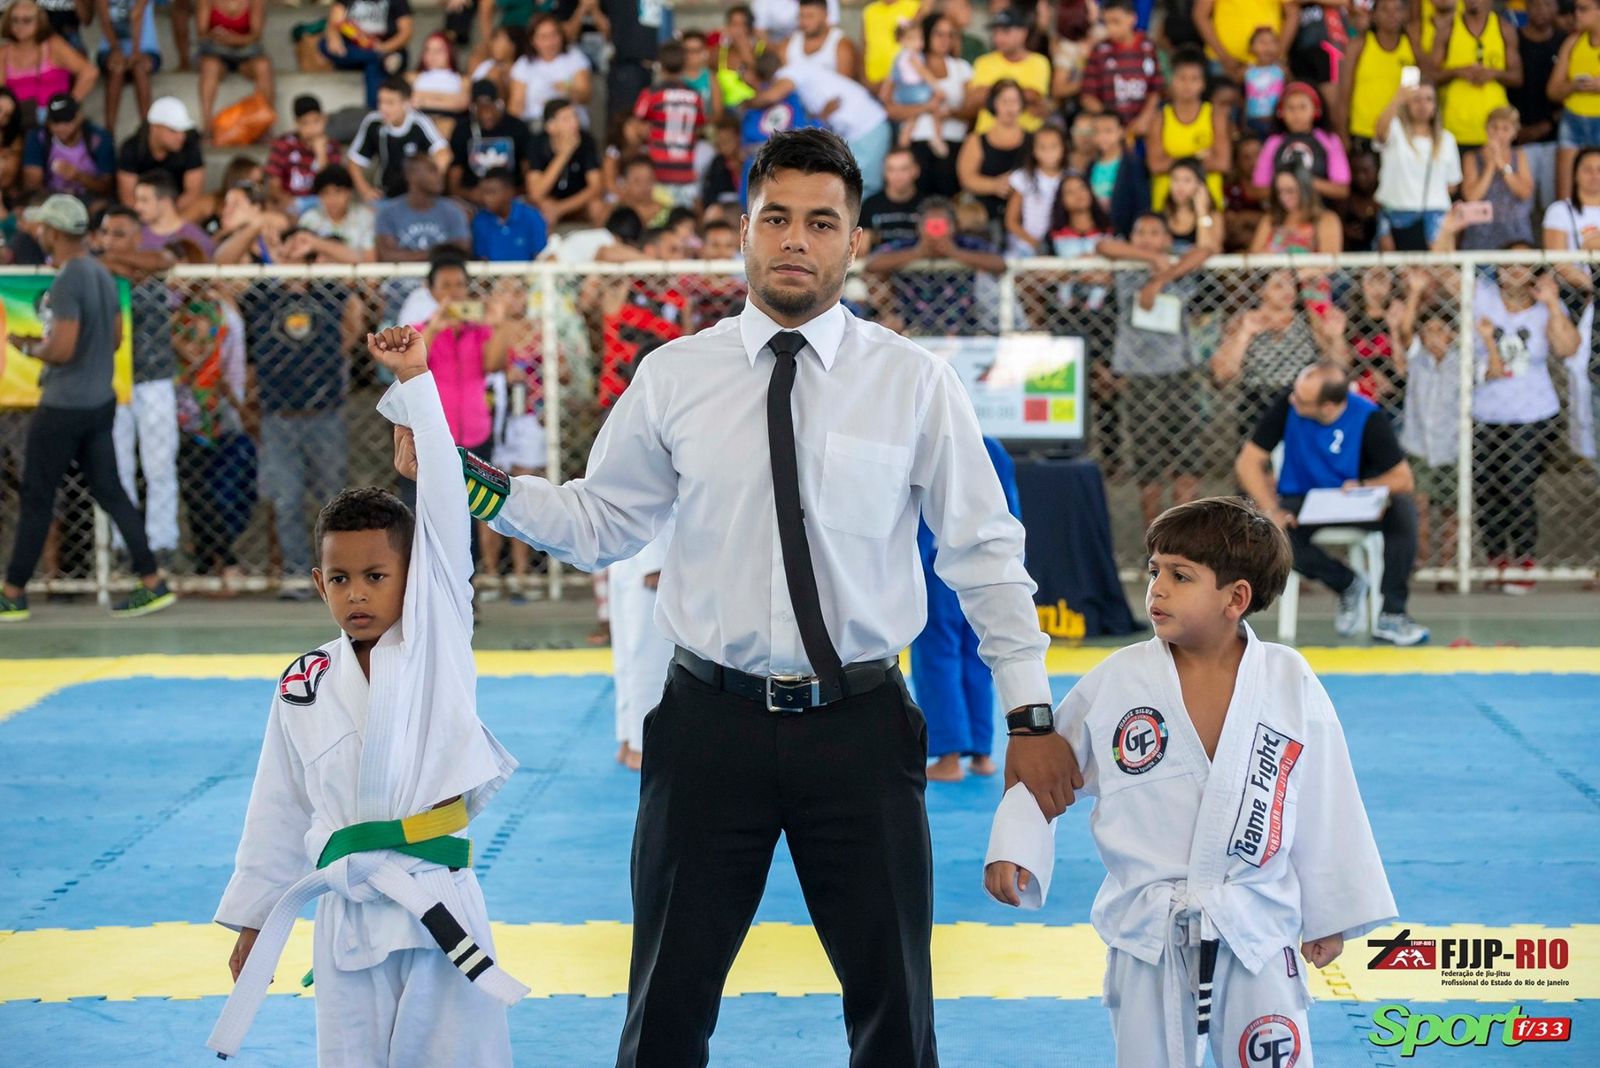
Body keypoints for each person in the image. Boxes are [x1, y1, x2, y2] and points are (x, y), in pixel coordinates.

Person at [467, 128, 1069, 1066]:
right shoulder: (677, 375)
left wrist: (1029, 714)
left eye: (821, 222)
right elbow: (601, 520)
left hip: (860, 727)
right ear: (743, 232)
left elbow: (985, 555)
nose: (796, 239)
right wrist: (477, 488)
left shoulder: (913, 385)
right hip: (710, 723)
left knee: (896, 1007)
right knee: (665, 1004)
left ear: (855, 242)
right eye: (776, 217)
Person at [985, 495, 1396, 1066]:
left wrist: (1331, 912)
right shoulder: (1122, 678)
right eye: (1154, 570)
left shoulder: (1286, 679)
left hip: (1256, 919)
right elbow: (1053, 765)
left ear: (1237, 598)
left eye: (1181, 576)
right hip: (1150, 925)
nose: (1157, 588)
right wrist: (1017, 842)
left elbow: (1327, 798)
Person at [209, 326, 524, 1064]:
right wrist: (257, 921)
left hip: (436, 899)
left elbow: (445, 507)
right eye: (340, 580)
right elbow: (279, 803)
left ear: (415, 577)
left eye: (376, 577)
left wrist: (416, 382)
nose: (357, 594)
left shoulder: (436, 636)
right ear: (318, 583)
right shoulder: (303, 683)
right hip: (348, 916)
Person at [0, 195, 174, 622]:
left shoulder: (67, 281)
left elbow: (61, 347)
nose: (39, 233)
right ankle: (152, 581)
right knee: (111, 492)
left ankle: (13, 592)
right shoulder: (100, 274)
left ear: (55, 233)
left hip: (62, 406)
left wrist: (28, 345)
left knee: (38, 497)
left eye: (43, 227)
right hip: (99, 402)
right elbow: (115, 337)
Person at [1235, 361, 1430, 644]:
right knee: (1271, 535)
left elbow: (1403, 480)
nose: (1293, 399)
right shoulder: (1287, 405)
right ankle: (1347, 583)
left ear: (1327, 407)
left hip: (1351, 501)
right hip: (1301, 499)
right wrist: (1271, 510)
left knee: (1402, 508)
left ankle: (1393, 614)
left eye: (1302, 399)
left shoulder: (1368, 417)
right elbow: (1248, 463)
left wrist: (1365, 486)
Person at [239, 244, 360, 599]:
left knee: (333, 500)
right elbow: (224, 262)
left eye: (299, 257)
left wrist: (315, 244)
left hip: (324, 414)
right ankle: (296, 575)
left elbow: (359, 279)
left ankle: (338, 575)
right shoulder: (264, 296)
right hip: (279, 416)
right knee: (286, 500)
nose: (292, 265)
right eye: (285, 257)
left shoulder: (329, 294)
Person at [1471, 251, 1582, 595]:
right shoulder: (1482, 296)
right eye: (1506, 263)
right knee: (1486, 490)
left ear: (1534, 270)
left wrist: (1551, 304)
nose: (1514, 270)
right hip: (1483, 411)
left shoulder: (1542, 308)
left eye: (1522, 264)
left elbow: (1568, 348)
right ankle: (1496, 559)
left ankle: (1524, 559)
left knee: (1519, 488)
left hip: (1532, 413)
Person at [1098, 213, 1210, 526]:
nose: (1147, 237)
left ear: (1168, 239)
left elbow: (1206, 248)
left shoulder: (1179, 264)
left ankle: (1186, 539)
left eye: (1155, 233)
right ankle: (1157, 543)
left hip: (1179, 372)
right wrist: (1150, 258)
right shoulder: (1126, 265)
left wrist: (1162, 278)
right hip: (1139, 375)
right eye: (1140, 232)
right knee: (1148, 465)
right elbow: (1103, 244)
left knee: (1188, 460)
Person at [916, 435, 1016, 783]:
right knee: (978, 653)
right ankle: (982, 753)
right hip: (987, 563)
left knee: (937, 654)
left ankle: (949, 756)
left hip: (937, 562)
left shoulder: (926, 440)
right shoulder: (992, 448)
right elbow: (1010, 511)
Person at [1391, 265, 1462, 578]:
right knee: (1419, 504)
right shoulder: (1417, 358)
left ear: (1452, 334)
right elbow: (1406, 331)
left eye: (1440, 331)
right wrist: (1415, 293)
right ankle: (1421, 560)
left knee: (1451, 509)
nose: (1434, 338)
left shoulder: (1461, 360)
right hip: (1418, 443)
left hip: (1452, 445)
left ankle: (1447, 565)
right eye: (1428, 331)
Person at [1213, 268, 1349, 429]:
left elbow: (1340, 366)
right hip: (1257, 404)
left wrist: (1336, 338)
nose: (1288, 290)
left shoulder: (1309, 319)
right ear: (1260, 290)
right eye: (1279, 285)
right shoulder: (1243, 320)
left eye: (1291, 284)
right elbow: (1221, 374)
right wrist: (1245, 335)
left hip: (1302, 400)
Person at [756, 52, 894, 197]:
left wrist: (747, 104)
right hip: (856, 134)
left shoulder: (791, 71)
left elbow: (771, 96)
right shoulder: (804, 74)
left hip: (869, 127)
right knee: (848, 186)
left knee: (863, 188)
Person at [866, 195, 1008, 334]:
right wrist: (917, 253)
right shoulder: (908, 245)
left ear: (954, 225)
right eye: (930, 225)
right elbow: (872, 264)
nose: (935, 232)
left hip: (964, 326)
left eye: (941, 225)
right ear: (919, 227)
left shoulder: (967, 244)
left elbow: (999, 264)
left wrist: (955, 253)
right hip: (912, 326)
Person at [891, 11, 971, 198]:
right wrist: (926, 107)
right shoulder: (908, 63)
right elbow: (890, 105)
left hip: (952, 142)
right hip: (916, 142)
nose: (945, 40)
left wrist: (950, 114)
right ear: (926, 34)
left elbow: (970, 110)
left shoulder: (962, 68)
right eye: (938, 33)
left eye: (950, 35)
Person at [1373, 81, 1462, 251]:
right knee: (1395, 272)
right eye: (1416, 99)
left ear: (1435, 105)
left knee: (1438, 272)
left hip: (1435, 215)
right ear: (1407, 103)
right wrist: (1396, 99)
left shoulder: (1447, 139)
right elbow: (1380, 132)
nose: (1423, 105)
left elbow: (1452, 185)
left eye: (1428, 99)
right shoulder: (1395, 131)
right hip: (1395, 212)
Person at [1147, 47, 1230, 212]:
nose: (1187, 85)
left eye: (1194, 79)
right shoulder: (1159, 118)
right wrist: (1198, 157)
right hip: (1167, 207)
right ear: (1172, 80)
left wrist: (1173, 160)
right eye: (1182, 78)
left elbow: (1222, 163)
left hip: (1207, 205)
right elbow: (1155, 165)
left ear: (1203, 83)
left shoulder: (1215, 116)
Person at [347, 77, 453, 203]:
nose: (383, 109)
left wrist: (428, 185)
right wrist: (365, 191)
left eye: (390, 103)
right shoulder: (373, 122)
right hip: (386, 194)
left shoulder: (419, 123)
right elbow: (354, 162)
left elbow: (443, 154)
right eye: (380, 102)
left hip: (417, 195)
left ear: (407, 103)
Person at [1340, 0, 1422, 152]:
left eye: (1397, 9)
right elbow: (1344, 95)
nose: (1392, 15)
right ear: (1374, 15)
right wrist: (1343, 135)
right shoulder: (1359, 45)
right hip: (1362, 132)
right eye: (1385, 10)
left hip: (1400, 134)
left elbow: (1424, 85)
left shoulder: (1411, 46)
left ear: (1404, 14)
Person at [1437, 0, 1520, 151]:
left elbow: (1517, 77)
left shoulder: (1504, 29)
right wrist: (1457, 72)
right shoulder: (1448, 29)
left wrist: (1494, 74)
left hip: (1496, 129)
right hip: (1456, 128)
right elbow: (1429, 76)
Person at [633, 39, 705, 208]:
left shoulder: (651, 94)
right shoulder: (695, 96)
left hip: (658, 173)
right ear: (684, 64)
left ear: (660, 65)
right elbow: (700, 125)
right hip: (685, 172)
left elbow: (636, 125)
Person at [1253, 81, 1351, 203]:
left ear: (1316, 110)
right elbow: (1258, 190)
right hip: (1282, 215)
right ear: (1280, 112)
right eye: (1290, 108)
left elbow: (1342, 190)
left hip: (1319, 213)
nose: (1296, 114)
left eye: (1302, 107)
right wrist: (1288, 187)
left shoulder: (1329, 140)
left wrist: (1304, 182)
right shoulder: (1273, 142)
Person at [0, 0, 94, 123]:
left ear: (39, 22)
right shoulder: (4, 53)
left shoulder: (54, 45)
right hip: (18, 121)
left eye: (26, 20)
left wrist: (69, 103)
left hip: (54, 119)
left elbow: (89, 73)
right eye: (15, 20)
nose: (20, 26)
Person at [1458, 106, 1535, 250]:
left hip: (1515, 233)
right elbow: (1471, 196)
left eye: (1505, 129)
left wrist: (1503, 166)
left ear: (1514, 132)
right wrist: (1490, 166)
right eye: (1494, 127)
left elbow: (1525, 193)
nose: (1499, 133)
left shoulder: (1519, 155)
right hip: (1480, 234)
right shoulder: (1472, 157)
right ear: (1486, 129)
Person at [1081, 0, 1163, 133]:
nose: (1110, 28)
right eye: (1106, 23)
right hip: (1111, 132)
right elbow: (1088, 96)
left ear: (1132, 19)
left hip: (1144, 125)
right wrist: (1111, 122)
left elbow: (1156, 89)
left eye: (1116, 21)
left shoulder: (1148, 47)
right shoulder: (1099, 50)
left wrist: (1145, 117)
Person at [957, 79, 1029, 227]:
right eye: (1004, 101)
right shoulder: (976, 140)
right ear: (993, 104)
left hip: (1026, 214)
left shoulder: (1034, 139)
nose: (1010, 107)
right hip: (985, 214)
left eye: (1015, 101)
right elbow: (967, 178)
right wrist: (995, 185)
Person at [195, 0, 272, 140]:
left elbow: (256, 35)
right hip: (216, 54)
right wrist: (236, 40)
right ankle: (207, 128)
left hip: (246, 56)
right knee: (209, 66)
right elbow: (201, 32)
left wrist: (228, 39)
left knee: (263, 66)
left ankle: (264, 126)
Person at [115, 97, 204, 217]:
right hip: (140, 212)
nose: (181, 136)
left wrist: (166, 217)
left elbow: (193, 193)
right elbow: (128, 198)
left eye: (184, 131)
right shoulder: (132, 148)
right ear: (154, 127)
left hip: (177, 212)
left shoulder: (190, 145)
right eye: (173, 130)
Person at [449, 78, 534, 203]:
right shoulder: (463, 130)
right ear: (472, 108)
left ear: (499, 104)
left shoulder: (517, 127)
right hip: (474, 198)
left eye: (489, 107)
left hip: (513, 196)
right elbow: (454, 181)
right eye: (480, 108)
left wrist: (511, 193)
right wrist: (469, 194)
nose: (485, 114)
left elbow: (529, 173)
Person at [968, 6, 1052, 132]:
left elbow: (1034, 96)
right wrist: (1021, 95)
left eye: (1005, 31)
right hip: (987, 135)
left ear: (1023, 33)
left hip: (1026, 137)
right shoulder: (983, 62)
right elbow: (975, 99)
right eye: (995, 32)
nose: (998, 38)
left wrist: (993, 93)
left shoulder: (1039, 62)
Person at [375, 155, 471, 263]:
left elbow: (461, 250)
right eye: (432, 170)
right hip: (401, 279)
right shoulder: (388, 213)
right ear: (411, 175)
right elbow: (388, 256)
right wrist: (441, 253)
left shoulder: (453, 211)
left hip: (440, 279)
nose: (440, 175)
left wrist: (407, 255)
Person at [1549, 0, 1600, 203]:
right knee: (1566, 197)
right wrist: (1574, 86)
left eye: (1583, 9)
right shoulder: (1573, 42)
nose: (1576, 14)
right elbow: (1552, 90)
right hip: (1573, 122)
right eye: (1575, 8)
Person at [322, 0, 416, 108]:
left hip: (385, 47)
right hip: (353, 51)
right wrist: (333, 37)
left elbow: (406, 33)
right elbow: (334, 21)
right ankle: (376, 57)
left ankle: (373, 110)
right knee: (323, 44)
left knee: (374, 65)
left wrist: (384, 48)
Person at [21, 92, 114, 202]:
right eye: (55, 121)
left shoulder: (99, 139)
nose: (61, 127)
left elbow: (107, 188)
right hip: (51, 197)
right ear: (48, 122)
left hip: (89, 198)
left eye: (67, 120)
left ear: (79, 117)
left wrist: (78, 176)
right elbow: (32, 186)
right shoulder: (38, 138)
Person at [510, 13, 591, 131]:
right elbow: (516, 105)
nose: (550, 42)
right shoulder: (523, 65)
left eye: (554, 35)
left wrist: (568, 90)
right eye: (543, 37)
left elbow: (586, 95)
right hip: (535, 125)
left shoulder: (575, 58)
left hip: (569, 125)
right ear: (533, 40)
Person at [265, 96, 344, 214]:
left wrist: (321, 154)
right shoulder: (283, 144)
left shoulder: (332, 146)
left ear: (324, 119)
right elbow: (273, 184)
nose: (312, 128)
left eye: (316, 121)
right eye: (305, 123)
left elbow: (332, 186)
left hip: (323, 204)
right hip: (292, 202)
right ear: (296, 124)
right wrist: (290, 202)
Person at [884, 17, 947, 157]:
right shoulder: (913, 57)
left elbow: (893, 77)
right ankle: (937, 137)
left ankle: (904, 137)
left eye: (920, 38)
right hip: (914, 91)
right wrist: (937, 87)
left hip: (904, 92)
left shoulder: (899, 57)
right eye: (913, 39)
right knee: (935, 107)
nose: (918, 43)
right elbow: (924, 73)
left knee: (912, 117)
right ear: (902, 41)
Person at [1250, 162, 1343, 255]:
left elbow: (1328, 263)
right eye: (1279, 192)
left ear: (1305, 189)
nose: (1284, 197)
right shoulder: (1270, 219)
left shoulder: (1326, 219)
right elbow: (1254, 260)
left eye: (1290, 191)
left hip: (1309, 269)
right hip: (1271, 269)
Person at [1003, 122, 1066, 256]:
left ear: (1063, 148)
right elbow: (1011, 220)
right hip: (1027, 246)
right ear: (1033, 150)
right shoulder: (1023, 178)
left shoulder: (1070, 178)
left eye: (1054, 146)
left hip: (1062, 244)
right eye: (1042, 147)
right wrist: (1035, 243)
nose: (1048, 151)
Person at [295, 164, 377, 263]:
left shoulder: (365, 217)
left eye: (337, 192)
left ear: (349, 193)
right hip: (317, 276)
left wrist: (316, 243)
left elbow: (369, 261)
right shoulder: (309, 219)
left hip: (354, 278)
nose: (332, 199)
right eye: (325, 193)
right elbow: (298, 259)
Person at [1196, 0, 1287, 80]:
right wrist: (1224, 57)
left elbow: (1292, 13)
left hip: (1269, 62)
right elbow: (1200, 15)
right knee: (1223, 98)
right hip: (1222, 62)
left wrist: (1278, 53)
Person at [472, 167, 547, 260]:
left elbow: (540, 256)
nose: (486, 198)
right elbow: (482, 258)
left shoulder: (531, 217)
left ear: (509, 192)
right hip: (493, 274)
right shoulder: (480, 220)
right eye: (484, 193)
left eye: (492, 192)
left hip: (529, 274)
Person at [133, 169, 214, 255]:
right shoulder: (134, 237)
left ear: (165, 202)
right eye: (137, 200)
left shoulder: (197, 239)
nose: (137, 207)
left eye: (144, 200)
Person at [407, 30, 469, 139]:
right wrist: (447, 99)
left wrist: (423, 100)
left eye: (438, 51)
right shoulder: (412, 77)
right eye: (428, 50)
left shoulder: (462, 80)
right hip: (418, 122)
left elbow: (462, 104)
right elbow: (408, 100)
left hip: (450, 124)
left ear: (450, 52)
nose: (432, 55)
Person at [859, 146, 923, 251]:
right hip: (879, 266)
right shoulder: (870, 205)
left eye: (904, 169)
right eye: (891, 169)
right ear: (884, 172)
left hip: (920, 266)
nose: (897, 176)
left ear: (916, 170)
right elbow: (861, 250)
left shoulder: (928, 205)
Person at [786, 0, 857, 77]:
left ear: (825, 15)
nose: (804, 21)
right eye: (801, 16)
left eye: (810, 16)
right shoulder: (790, 43)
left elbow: (845, 85)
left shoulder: (842, 46)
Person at [1243, 24, 1287, 139]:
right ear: (1251, 48)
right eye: (1262, 42)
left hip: (1276, 121)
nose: (1267, 46)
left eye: (1272, 42)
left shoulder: (1281, 70)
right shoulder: (1246, 71)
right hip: (1253, 121)